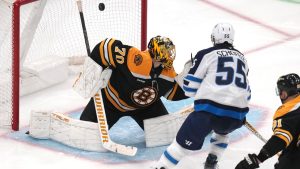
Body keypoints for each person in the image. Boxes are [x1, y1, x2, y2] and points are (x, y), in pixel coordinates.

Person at [151, 23, 251, 169]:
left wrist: (186, 75)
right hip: (238, 114)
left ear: (213, 38)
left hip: (209, 113)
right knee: (222, 132)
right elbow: (240, 88)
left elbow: (189, 90)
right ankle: (212, 161)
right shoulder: (243, 58)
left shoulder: (206, 54)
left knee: (179, 147)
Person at [78, 35, 188, 130]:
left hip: (145, 108)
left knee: (164, 133)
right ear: (156, 52)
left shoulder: (168, 73)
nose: (170, 54)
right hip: (110, 103)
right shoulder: (136, 59)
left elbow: (174, 93)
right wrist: (90, 75)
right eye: (166, 51)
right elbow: (104, 48)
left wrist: (192, 83)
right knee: (85, 133)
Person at [235, 73, 300, 169]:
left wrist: (258, 158)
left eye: (279, 91)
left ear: (284, 94)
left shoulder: (288, 111)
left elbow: (280, 139)